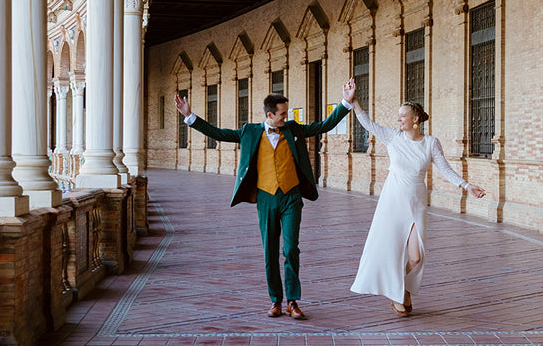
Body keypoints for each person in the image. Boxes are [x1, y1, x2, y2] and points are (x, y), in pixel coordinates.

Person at [176, 77, 357, 320]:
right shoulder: (250, 132)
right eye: (282, 114)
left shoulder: (293, 129)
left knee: (291, 248)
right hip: (266, 198)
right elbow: (218, 134)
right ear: (270, 115)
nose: (286, 117)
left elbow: (323, 125)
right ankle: (276, 301)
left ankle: (293, 300)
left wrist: (346, 102)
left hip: (291, 197)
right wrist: (190, 116)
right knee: (269, 252)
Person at [346, 95, 485, 316]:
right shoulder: (393, 137)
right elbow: (368, 123)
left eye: (403, 115)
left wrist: (467, 186)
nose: (399, 119)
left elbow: (445, 169)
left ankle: (399, 286)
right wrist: (353, 102)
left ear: (415, 119)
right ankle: (398, 291)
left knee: (416, 256)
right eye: (399, 115)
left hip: (416, 201)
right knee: (391, 248)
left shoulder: (431, 143)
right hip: (393, 201)